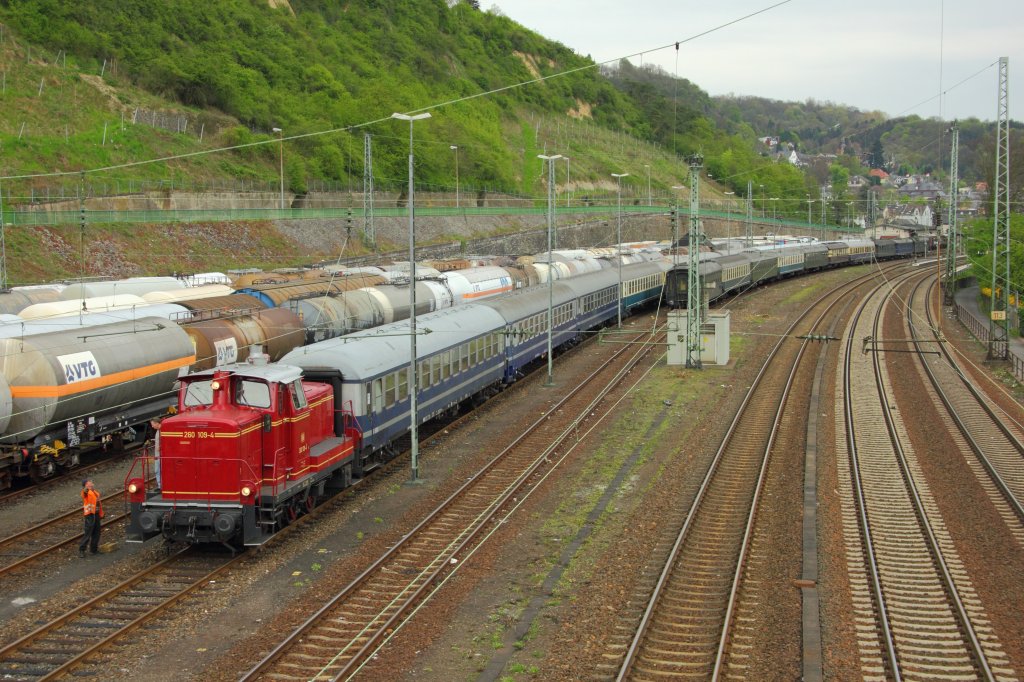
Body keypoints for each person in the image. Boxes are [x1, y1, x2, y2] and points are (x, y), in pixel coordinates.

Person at [79, 479, 103, 557]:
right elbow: (83, 493)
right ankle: (81, 550)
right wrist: (85, 489)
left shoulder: (94, 492)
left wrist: (101, 514)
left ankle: (94, 549)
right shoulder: (86, 492)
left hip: (95, 514)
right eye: (90, 483)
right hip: (89, 515)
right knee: (88, 533)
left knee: (97, 532)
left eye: (92, 483)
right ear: (86, 485)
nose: (92, 484)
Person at [149, 417, 163, 491]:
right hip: (158, 455)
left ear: (157, 423)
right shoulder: (158, 431)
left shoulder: (162, 431)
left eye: (153, 424)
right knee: (157, 470)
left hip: (160, 455)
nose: (152, 426)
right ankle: (160, 485)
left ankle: (161, 486)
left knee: (159, 470)